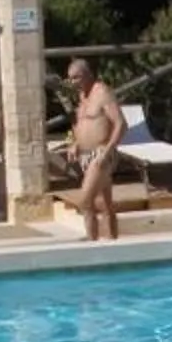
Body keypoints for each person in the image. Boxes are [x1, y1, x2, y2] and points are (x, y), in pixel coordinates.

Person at [64, 58, 122, 242]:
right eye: (70, 79)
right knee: (105, 204)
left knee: (85, 201)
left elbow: (121, 124)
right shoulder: (82, 97)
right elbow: (81, 125)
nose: (73, 83)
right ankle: (113, 242)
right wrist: (75, 143)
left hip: (101, 153)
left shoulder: (102, 92)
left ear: (88, 75)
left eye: (76, 78)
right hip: (85, 155)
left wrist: (108, 150)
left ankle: (91, 243)